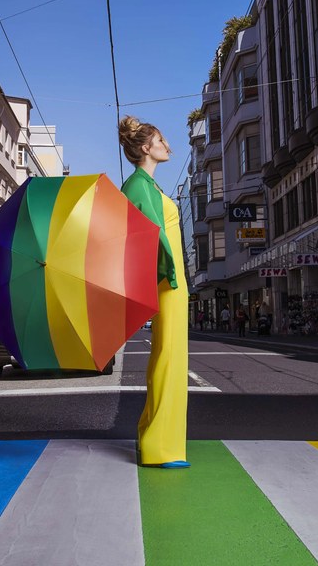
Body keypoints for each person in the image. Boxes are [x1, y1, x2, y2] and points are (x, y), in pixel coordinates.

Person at [118, 116, 190, 469]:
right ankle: (160, 446)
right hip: (167, 283)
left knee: (168, 356)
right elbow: (141, 238)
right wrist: (171, 276)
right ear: (146, 148)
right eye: (160, 141)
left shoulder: (148, 186)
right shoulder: (137, 186)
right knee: (169, 358)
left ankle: (152, 434)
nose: (167, 146)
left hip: (170, 282)